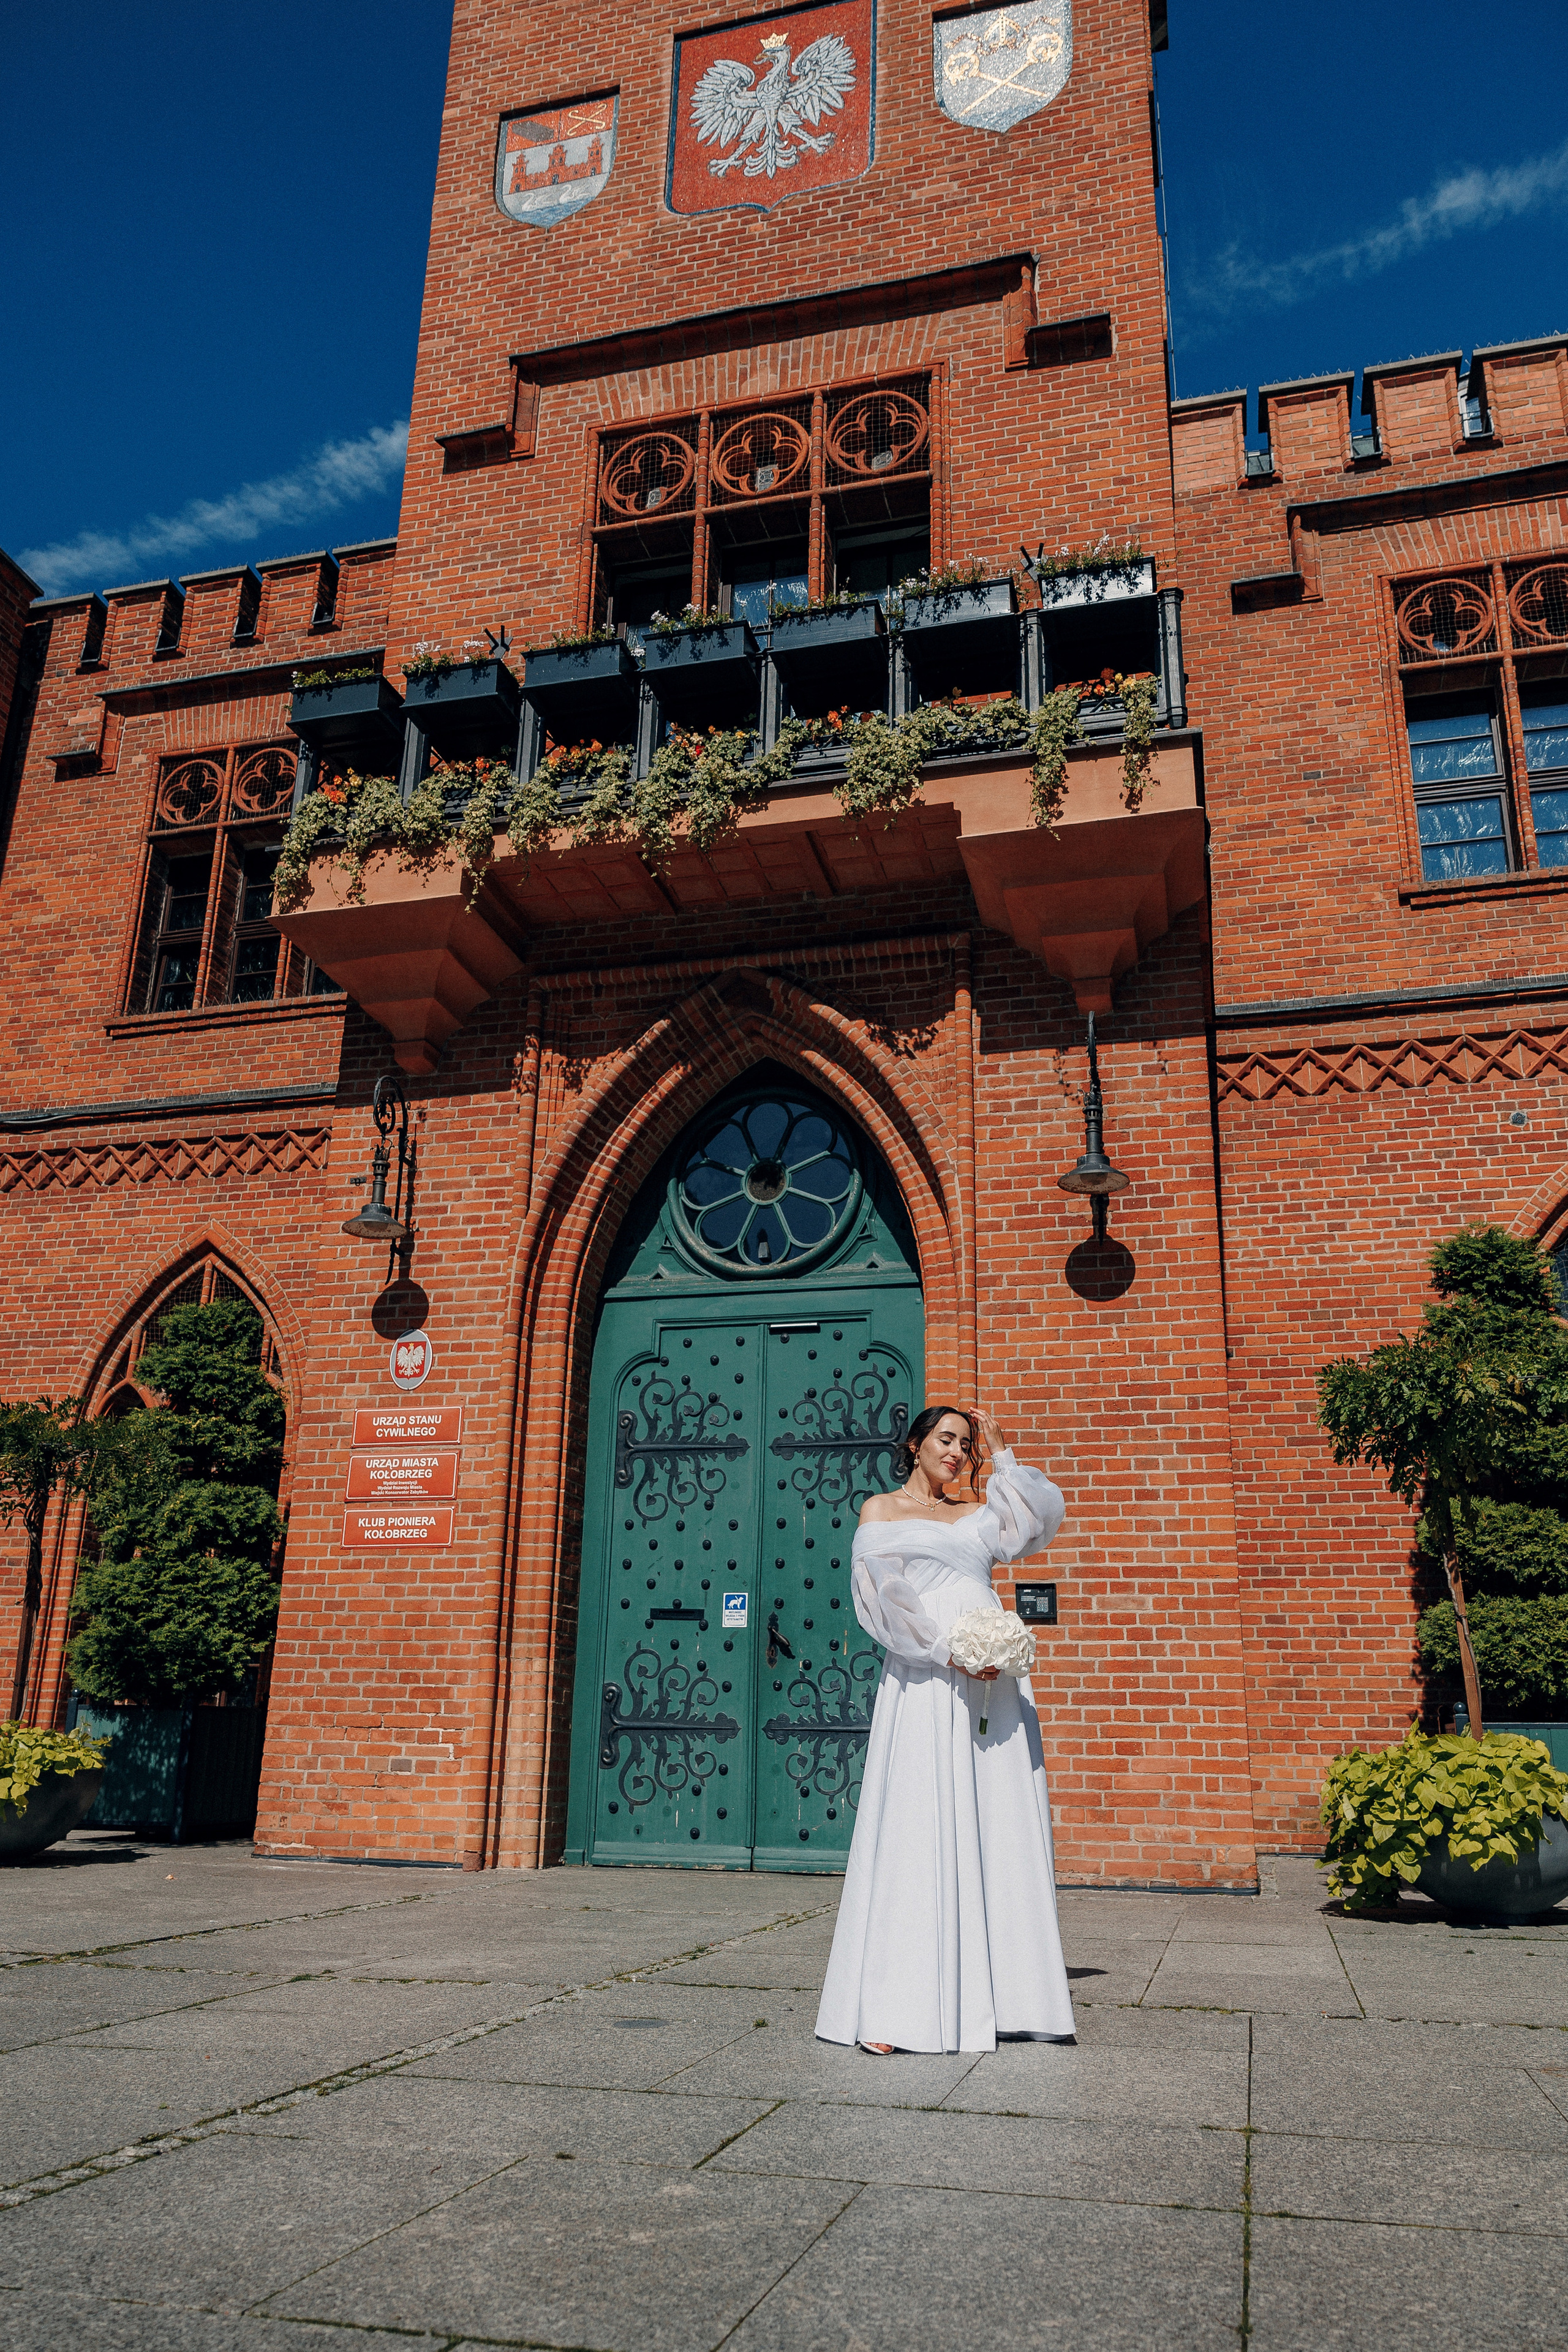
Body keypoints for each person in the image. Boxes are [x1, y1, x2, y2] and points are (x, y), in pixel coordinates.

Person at [815, 1404, 1074, 2054]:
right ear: (915, 1444)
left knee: (1000, 1823)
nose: (957, 1452)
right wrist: (944, 1651)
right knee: (918, 1824)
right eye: (945, 1439)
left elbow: (1037, 1521)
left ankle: (1011, 1998)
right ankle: (898, 2009)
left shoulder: (978, 1515)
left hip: (994, 1685)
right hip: (925, 1676)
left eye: (966, 1444)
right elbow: (882, 1598)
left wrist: (1004, 1454)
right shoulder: (881, 1511)